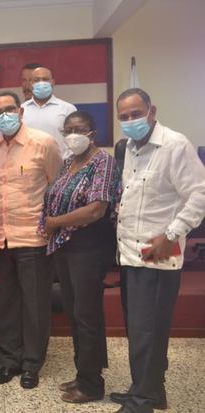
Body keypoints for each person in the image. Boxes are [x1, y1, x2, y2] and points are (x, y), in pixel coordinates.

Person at [111, 88, 205, 413]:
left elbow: (199, 195)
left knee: (147, 331)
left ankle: (142, 402)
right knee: (140, 330)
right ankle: (150, 389)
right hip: (130, 253)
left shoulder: (174, 145)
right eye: (123, 116)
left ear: (152, 111)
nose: (130, 121)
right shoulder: (129, 149)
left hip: (157, 253)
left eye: (136, 113)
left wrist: (172, 234)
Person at [39, 111, 121, 403]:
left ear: (92, 132)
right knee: (75, 313)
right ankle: (83, 373)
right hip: (66, 246)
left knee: (87, 315)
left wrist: (54, 223)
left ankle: (92, 384)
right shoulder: (68, 163)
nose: (73, 134)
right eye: (69, 129)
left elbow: (97, 208)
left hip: (89, 246)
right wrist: (49, 223)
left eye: (80, 129)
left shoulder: (104, 162)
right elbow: (55, 198)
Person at [0, 91, 62, 389]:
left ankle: (31, 363)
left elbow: (57, 188)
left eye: (9, 109)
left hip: (33, 238)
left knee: (35, 305)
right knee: (4, 304)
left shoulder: (43, 143)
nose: (4, 115)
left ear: (20, 111)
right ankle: (9, 361)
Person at [22, 66, 77, 159]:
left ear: (53, 82)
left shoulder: (67, 109)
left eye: (45, 79)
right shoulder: (21, 109)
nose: (41, 83)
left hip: (61, 168)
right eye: (36, 80)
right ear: (31, 83)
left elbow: (74, 140)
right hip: (29, 168)